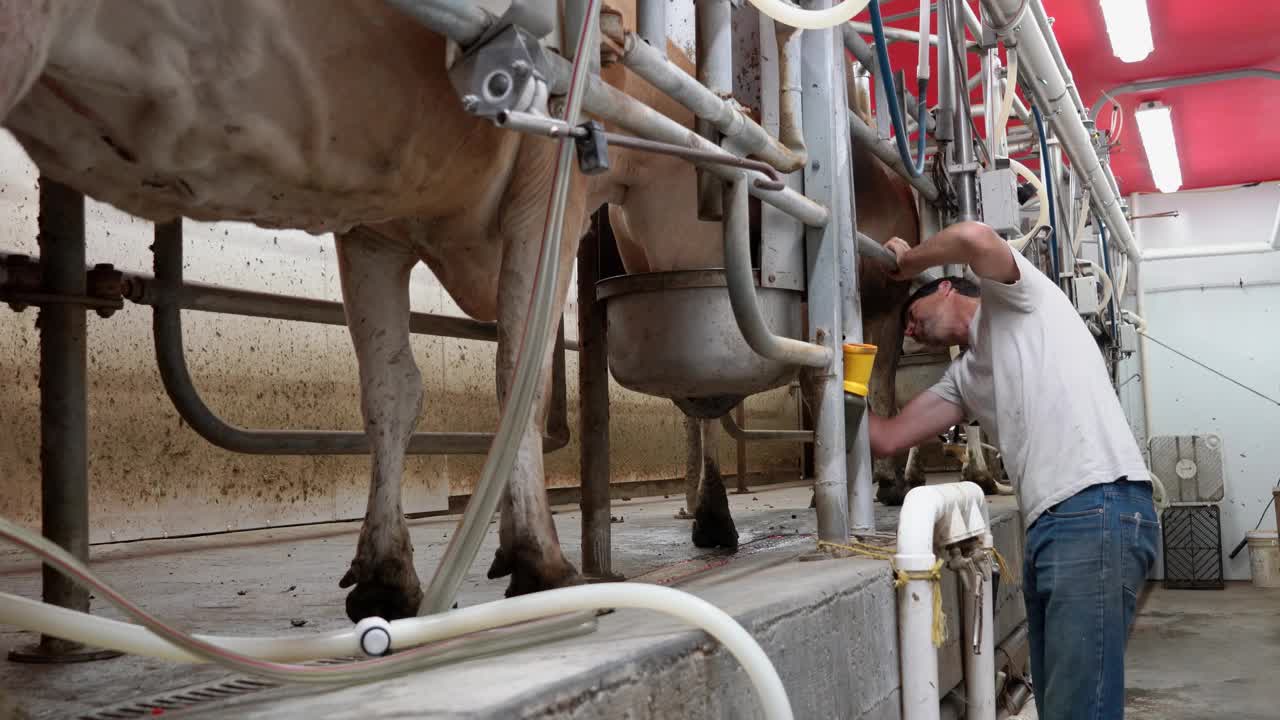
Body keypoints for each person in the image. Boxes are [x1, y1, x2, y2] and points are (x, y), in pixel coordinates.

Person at [869, 220, 1159, 720]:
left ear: (945, 287)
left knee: (1078, 708)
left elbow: (975, 238)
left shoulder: (1014, 298)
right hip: (1053, 525)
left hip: (1096, 507)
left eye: (912, 315)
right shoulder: (965, 378)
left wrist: (906, 263)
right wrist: (830, 377)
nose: (909, 331)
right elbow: (887, 438)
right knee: (1063, 705)